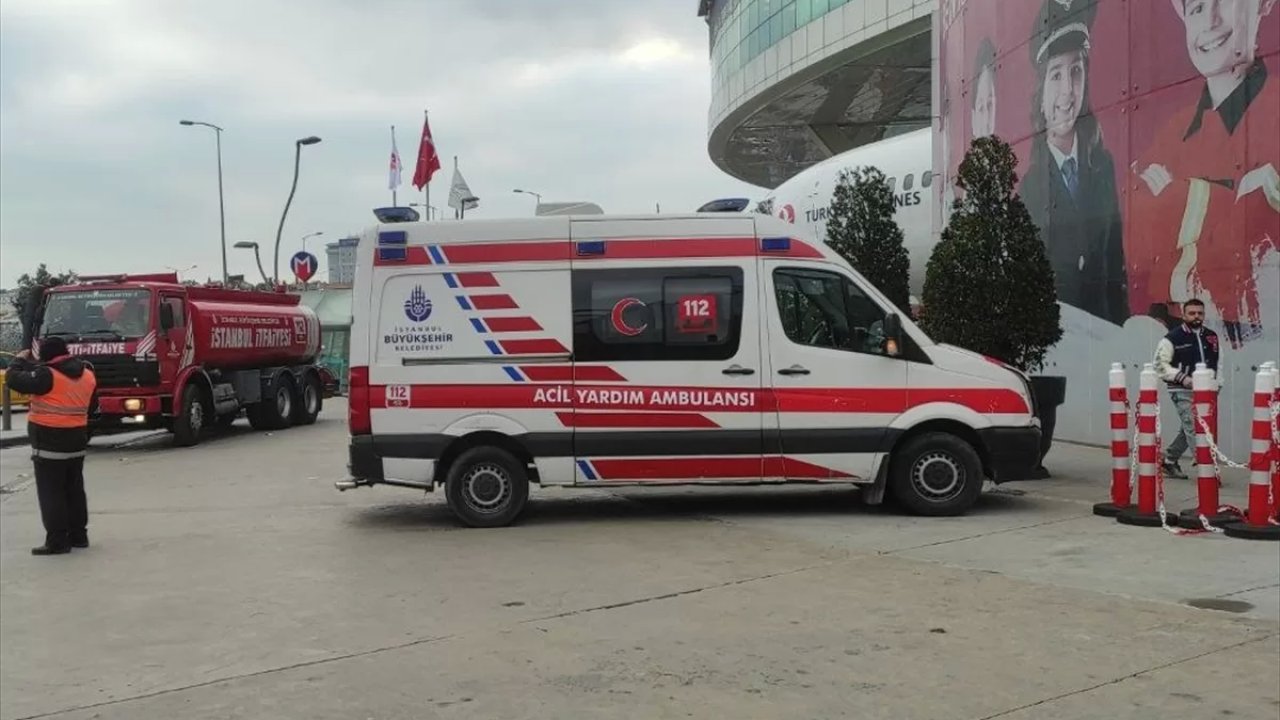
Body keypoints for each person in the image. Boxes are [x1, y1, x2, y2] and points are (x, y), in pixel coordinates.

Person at [1126, 0, 1279, 349]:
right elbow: (1140, 258)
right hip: (1172, 346)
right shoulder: (1169, 133)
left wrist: (1175, 200)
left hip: (1253, 347)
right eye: (1195, 7)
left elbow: (1258, 240)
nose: (1209, 20)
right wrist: (1227, 201)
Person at [1019, 0, 1129, 327]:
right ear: (1040, 93)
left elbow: (1114, 269)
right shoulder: (1029, 190)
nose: (1067, 92)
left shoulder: (1102, 166)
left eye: (1076, 71)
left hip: (1106, 341)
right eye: (1056, 75)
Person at [5, 336, 97, 555]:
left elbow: (14, 379)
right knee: (74, 489)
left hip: (49, 439)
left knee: (51, 492)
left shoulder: (47, 375)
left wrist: (17, 361)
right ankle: (79, 536)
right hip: (77, 440)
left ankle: (57, 541)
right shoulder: (87, 374)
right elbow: (92, 406)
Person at [1153, 298, 1220, 479]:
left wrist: (1216, 385)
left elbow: (1216, 364)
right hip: (1181, 390)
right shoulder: (1172, 338)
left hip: (1206, 391)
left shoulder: (1211, 336)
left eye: (1200, 313)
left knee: (1188, 426)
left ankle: (1169, 461)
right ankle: (1206, 469)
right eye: (1192, 313)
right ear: (1183, 315)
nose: (1196, 316)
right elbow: (1159, 365)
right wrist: (1184, 379)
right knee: (1193, 425)